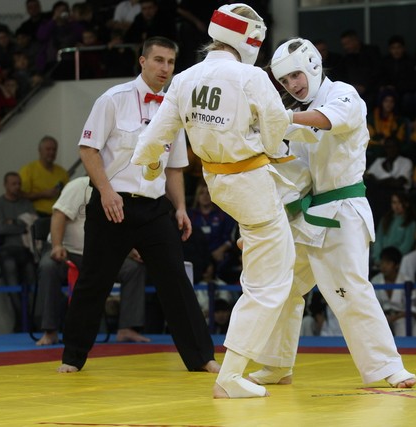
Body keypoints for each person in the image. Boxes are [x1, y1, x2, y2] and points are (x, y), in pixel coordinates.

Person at [132, 7, 295, 399]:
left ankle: (277, 363)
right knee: (271, 280)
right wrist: (274, 147)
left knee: (274, 262)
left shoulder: (185, 78)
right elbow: (276, 127)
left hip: (216, 181)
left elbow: (156, 135)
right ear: (248, 39)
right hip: (249, 179)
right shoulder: (251, 76)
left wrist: (151, 166)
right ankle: (232, 374)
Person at [246, 37, 416, 393]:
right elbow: (298, 175)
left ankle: (389, 366)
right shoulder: (297, 115)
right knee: (281, 286)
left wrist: (280, 117)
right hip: (307, 214)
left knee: (350, 288)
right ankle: (276, 364)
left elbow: (326, 120)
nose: (292, 85)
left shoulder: (343, 94)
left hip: (343, 211)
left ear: (312, 64)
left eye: (295, 75)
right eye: (285, 81)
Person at [57, 36, 218, 377]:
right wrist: (105, 192)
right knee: (94, 281)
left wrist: (180, 207)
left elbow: (174, 167)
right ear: (142, 61)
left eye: (170, 62)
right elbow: (88, 149)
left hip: (154, 208)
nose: (165, 68)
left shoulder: (173, 108)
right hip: (112, 204)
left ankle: (202, 357)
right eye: (158, 60)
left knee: (176, 280)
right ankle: (72, 356)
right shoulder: (113, 99)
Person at [36, 176, 149, 346]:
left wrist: (129, 250)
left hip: (100, 255)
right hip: (68, 253)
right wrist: (57, 245)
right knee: (48, 266)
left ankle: (127, 328)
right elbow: (59, 214)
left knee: (133, 269)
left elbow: (120, 228)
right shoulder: (78, 186)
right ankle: (50, 331)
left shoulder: (120, 191)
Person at [0, 172, 38, 331]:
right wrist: (22, 225)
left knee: (33, 287)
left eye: (19, 184)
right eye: (13, 184)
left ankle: (32, 321)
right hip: (7, 251)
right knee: (13, 289)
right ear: (5, 185)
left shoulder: (26, 203)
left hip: (26, 250)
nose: (17, 187)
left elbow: (33, 224)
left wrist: (13, 222)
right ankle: (22, 321)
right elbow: (1, 228)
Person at [371, 246, 416, 337]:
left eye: (388, 263)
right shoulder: (375, 280)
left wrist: (395, 317)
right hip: (381, 316)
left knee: (403, 325)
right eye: (382, 262)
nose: (384, 266)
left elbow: (413, 309)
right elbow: (372, 305)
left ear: (397, 265)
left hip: (402, 317)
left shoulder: (406, 281)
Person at [19, 136, 69, 217]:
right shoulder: (28, 170)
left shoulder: (62, 172)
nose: (51, 152)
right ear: (40, 151)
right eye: (48, 149)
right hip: (37, 214)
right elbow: (20, 195)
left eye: (54, 149)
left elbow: (68, 196)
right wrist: (42, 194)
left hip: (59, 214)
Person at [371, 191, 416, 267]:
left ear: (406, 204)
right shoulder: (385, 219)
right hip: (381, 258)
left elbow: (407, 245)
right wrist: (378, 258)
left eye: (400, 202)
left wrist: (391, 259)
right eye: (394, 202)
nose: (396, 206)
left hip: (397, 261)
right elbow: (378, 240)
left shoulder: (410, 223)